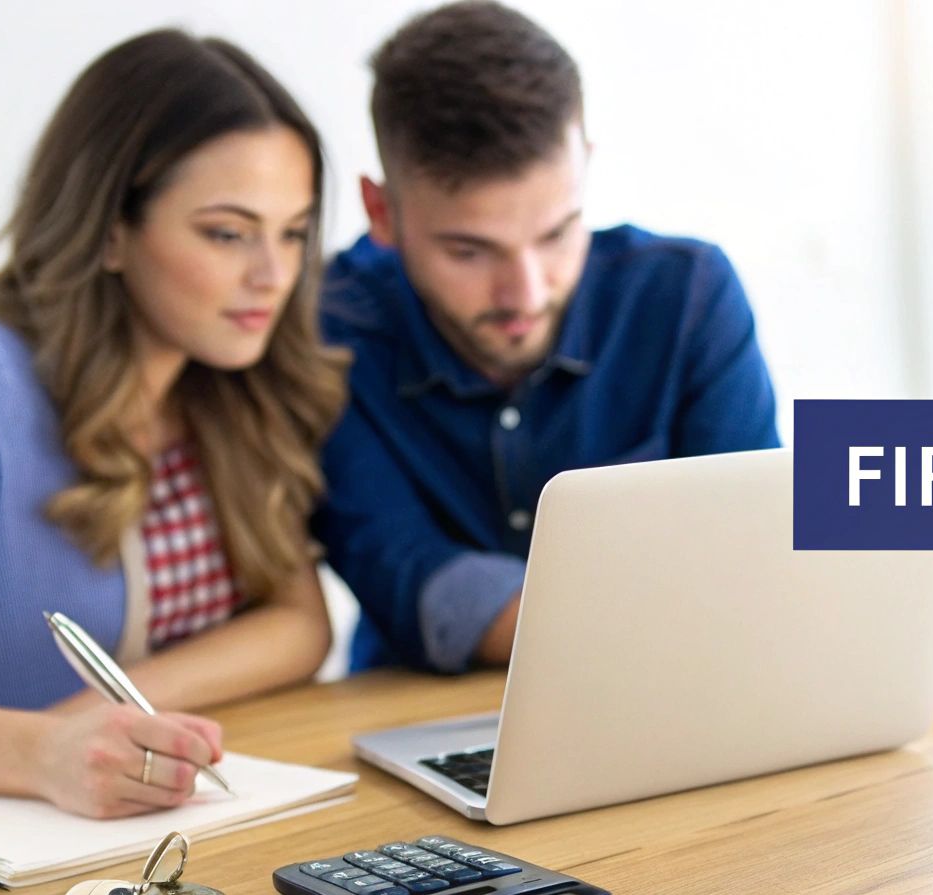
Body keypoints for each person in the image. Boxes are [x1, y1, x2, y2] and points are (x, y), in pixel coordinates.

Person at [0, 30, 348, 818]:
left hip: (110, 832)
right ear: (110, 231)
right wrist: (43, 750)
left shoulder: (230, 379)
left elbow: (299, 624)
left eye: (293, 232)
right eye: (228, 233)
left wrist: (114, 715)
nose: (273, 275)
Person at [313, 1, 781, 675]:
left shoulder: (687, 296)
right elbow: (410, 576)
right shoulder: (330, 333)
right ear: (383, 213)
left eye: (557, 233)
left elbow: (752, 541)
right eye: (469, 251)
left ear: (585, 167)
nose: (526, 293)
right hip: (427, 716)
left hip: (683, 684)